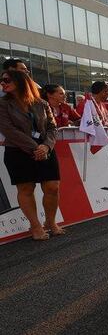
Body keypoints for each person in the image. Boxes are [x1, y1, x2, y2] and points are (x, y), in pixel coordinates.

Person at [0, 70, 62, 240]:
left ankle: (50, 222)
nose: (3, 83)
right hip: (18, 151)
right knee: (26, 188)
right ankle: (35, 226)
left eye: (6, 80)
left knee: (52, 187)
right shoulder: (3, 104)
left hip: (45, 149)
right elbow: (9, 130)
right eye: (2, 80)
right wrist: (36, 147)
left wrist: (46, 147)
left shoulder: (41, 103)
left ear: (21, 82)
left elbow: (52, 127)